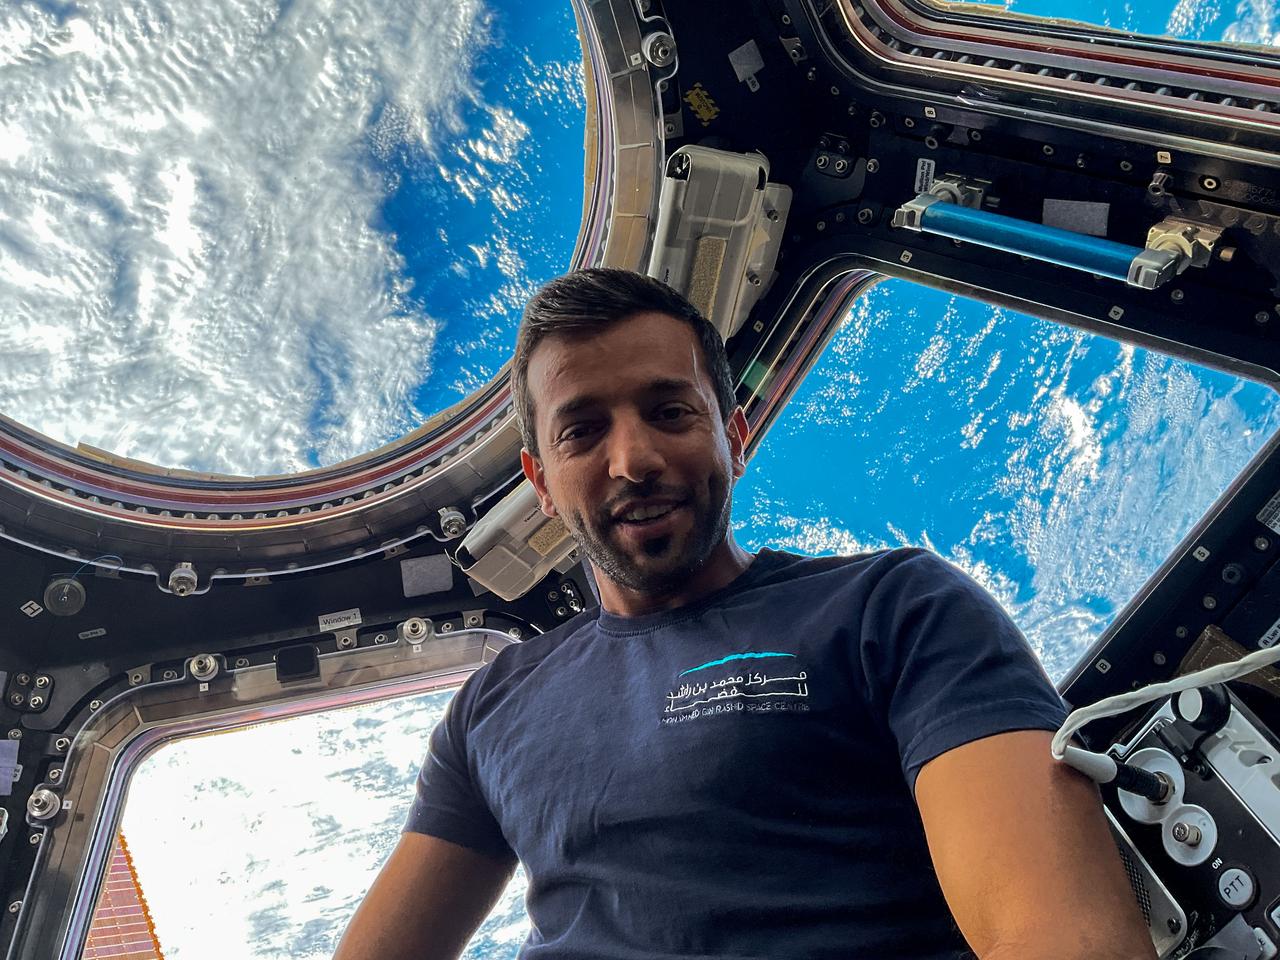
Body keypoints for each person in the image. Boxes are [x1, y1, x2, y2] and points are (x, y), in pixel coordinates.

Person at [334, 268, 1155, 960]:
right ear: (541, 480)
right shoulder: (489, 709)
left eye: (669, 412)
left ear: (732, 434)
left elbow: (1062, 939)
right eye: (582, 431)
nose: (634, 459)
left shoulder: (893, 607)